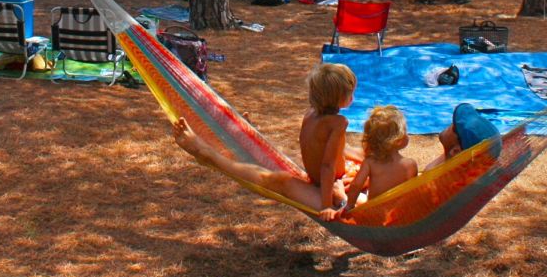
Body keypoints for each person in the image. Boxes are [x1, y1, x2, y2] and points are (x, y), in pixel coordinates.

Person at [172, 63, 358, 220]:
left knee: (280, 177)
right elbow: (326, 166)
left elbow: (315, 147)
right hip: (328, 188)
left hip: (333, 179)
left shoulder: (311, 113)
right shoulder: (338, 123)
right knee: (277, 179)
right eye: (350, 94)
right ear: (337, 98)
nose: (354, 97)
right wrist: (327, 205)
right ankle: (208, 154)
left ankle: (248, 139)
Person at [342, 106, 418, 213]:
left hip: (374, 211)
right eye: (405, 131)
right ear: (398, 140)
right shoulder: (410, 165)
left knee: (361, 195)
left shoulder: (370, 162)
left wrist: (349, 206)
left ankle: (339, 196)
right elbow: (412, 192)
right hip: (396, 213)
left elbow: (356, 185)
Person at [425, 102, 501, 171]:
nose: (450, 125)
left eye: (455, 127)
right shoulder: (459, 169)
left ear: (456, 151)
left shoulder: (432, 180)